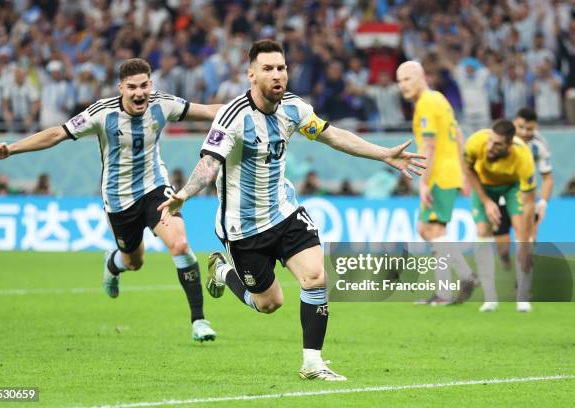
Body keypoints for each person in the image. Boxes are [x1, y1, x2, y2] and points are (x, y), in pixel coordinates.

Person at [158, 40, 426, 381]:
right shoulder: (233, 117)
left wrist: (383, 154)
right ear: (251, 75)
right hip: (243, 227)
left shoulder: (294, 108)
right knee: (268, 304)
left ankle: (313, 362)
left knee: (316, 276)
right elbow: (209, 165)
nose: (277, 75)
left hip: (284, 212)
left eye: (281, 68)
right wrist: (184, 194)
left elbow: (334, 136)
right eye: (268, 69)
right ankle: (224, 272)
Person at [0, 58, 221, 342]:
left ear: (151, 84)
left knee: (180, 243)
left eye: (144, 85)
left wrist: (252, 110)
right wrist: (10, 149)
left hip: (155, 188)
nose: (139, 93)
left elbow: (211, 111)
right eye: (132, 87)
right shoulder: (101, 113)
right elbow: (55, 134)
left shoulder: (164, 104)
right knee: (134, 262)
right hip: (119, 199)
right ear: (120, 87)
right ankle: (113, 264)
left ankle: (199, 321)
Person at [396, 61, 476, 306]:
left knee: (434, 230)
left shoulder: (426, 104)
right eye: (399, 81)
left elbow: (428, 146)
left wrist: (424, 182)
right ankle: (462, 278)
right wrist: (463, 172)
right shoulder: (438, 99)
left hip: (439, 175)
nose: (403, 86)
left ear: (421, 77)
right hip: (449, 172)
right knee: (426, 228)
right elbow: (458, 135)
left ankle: (450, 288)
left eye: (408, 79)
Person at [463, 119, 536, 313]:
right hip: (484, 187)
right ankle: (490, 298)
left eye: (497, 144)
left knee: (522, 235)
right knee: (482, 231)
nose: (490, 147)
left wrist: (527, 239)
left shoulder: (523, 157)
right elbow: (467, 169)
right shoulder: (475, 142)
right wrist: (486, 201)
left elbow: (529, 202)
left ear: (509, 145)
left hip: (512, 188)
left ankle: (522, 297)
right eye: (490, 141)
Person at [493, 108, 553, 268]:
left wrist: (543, 203)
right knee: (502, 245)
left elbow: (547, 177)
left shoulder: (539, 145)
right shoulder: (500, 139)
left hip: (525, 197)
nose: (525, 132)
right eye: (521, 127)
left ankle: (522, 284)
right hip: (501, 195)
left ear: (536, 127)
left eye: (530, 128)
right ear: (514, 123)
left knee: (527, 238)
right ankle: (506, 261)